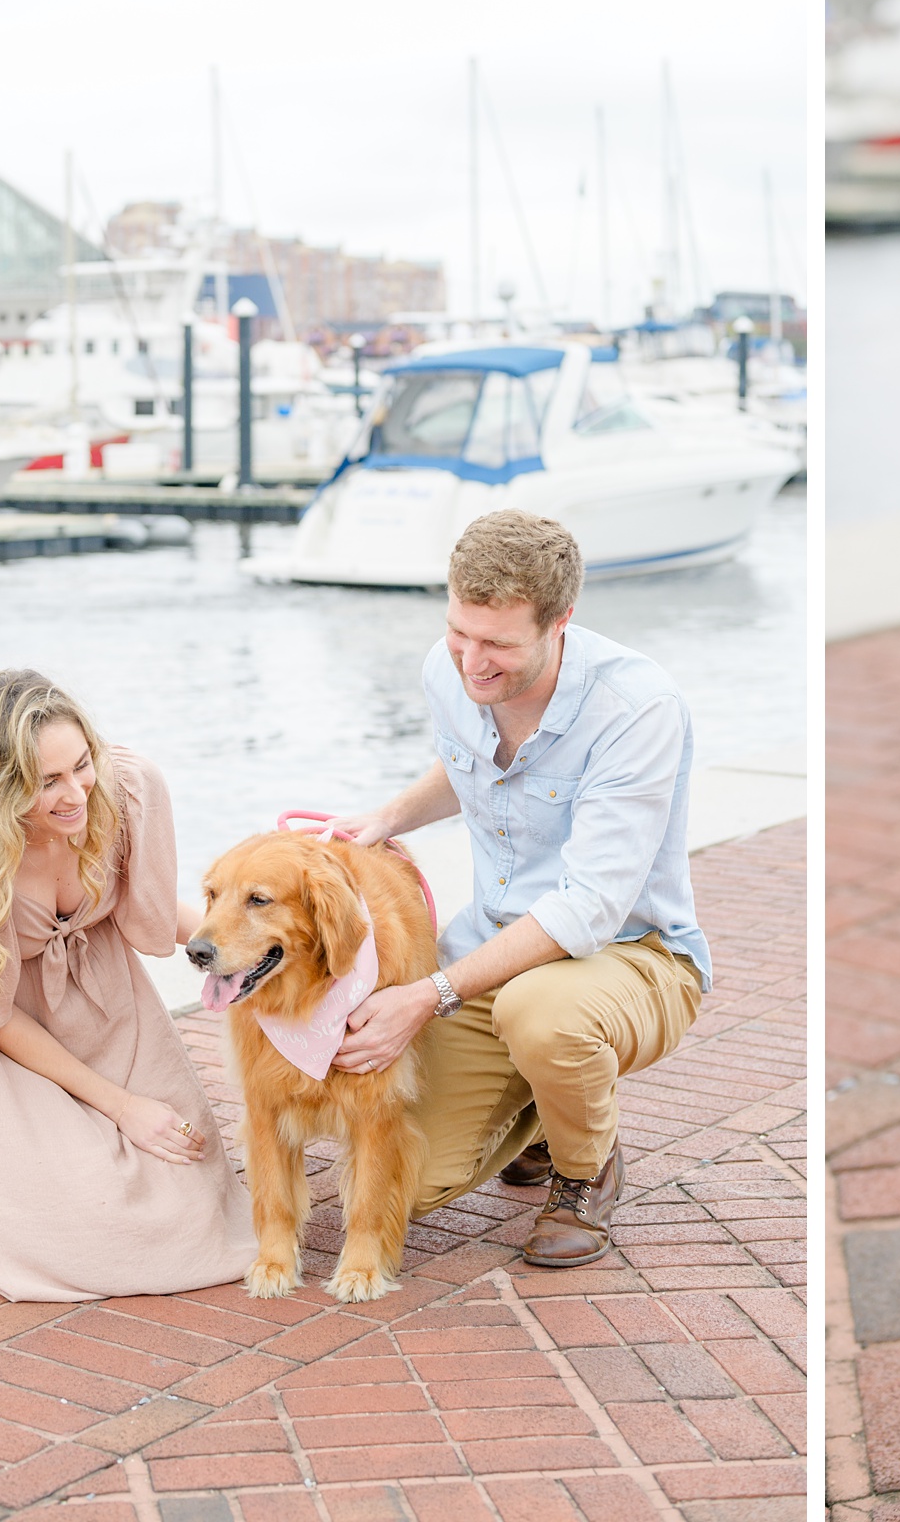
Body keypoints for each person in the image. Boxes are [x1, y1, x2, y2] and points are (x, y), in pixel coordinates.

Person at [329, 510, 708, 1269]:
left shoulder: (636, 710)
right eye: (458, 632)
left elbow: (588, 908)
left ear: (561, 620)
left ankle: (584, 1168)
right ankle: (543, 1109)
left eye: (498, 644)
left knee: (541, 1013)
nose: (472, 662)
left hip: (635, 956)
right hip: (493, 949)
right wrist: (389, 816)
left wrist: (429, 994)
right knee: (392, 1188)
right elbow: (471, 765)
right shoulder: (452, 670)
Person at [0, 670, 255, 1302]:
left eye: (81, 765)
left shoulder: (123, 793)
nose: (76, 794)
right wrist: (123, 1108)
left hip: (102, 1007)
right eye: (47, 782)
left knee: (191, 1215)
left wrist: (239, 952)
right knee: (82, 1231)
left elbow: (150, 907)